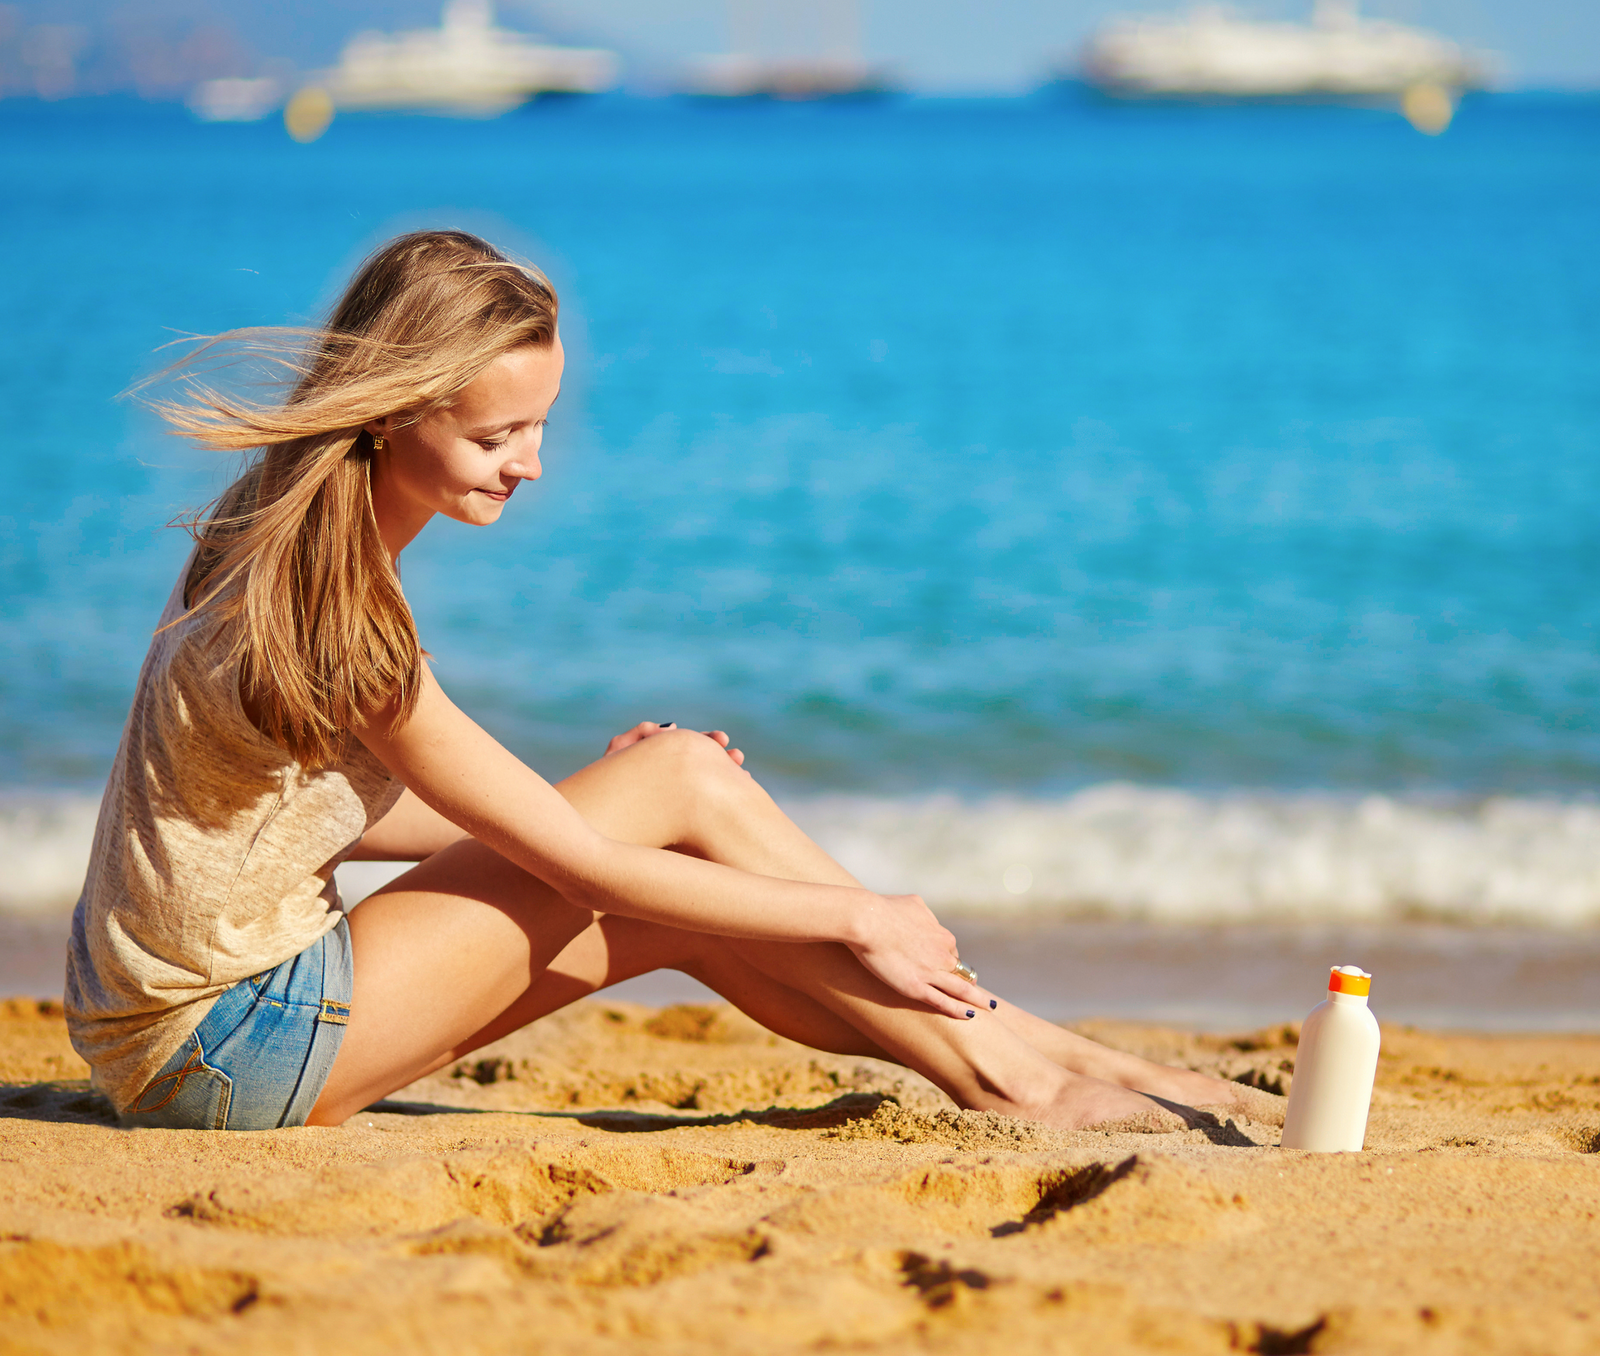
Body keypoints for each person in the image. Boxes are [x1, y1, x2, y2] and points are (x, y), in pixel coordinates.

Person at [66, 229, 1259, 1134]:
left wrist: (616, 797)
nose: (531, 464)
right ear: (397, 410)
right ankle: (1030, 1069)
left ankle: (1027, 1064)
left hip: (178, 1040)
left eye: (541, 425)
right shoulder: (347, 617)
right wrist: (862, 912)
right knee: (679, 790)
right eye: (499, 437)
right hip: (228, 1048)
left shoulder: (261, 532)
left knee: (672, 846)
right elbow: (573, 866)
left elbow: (303, 811)